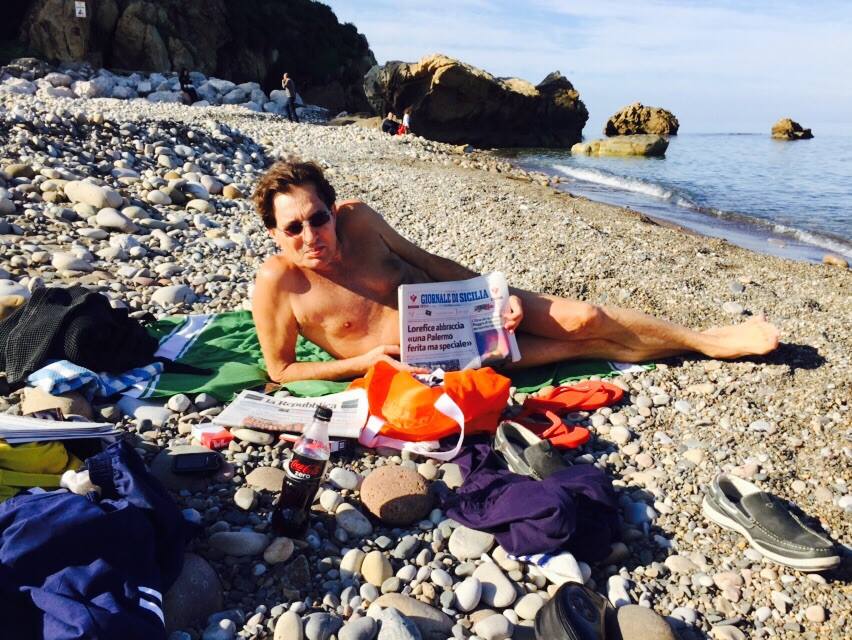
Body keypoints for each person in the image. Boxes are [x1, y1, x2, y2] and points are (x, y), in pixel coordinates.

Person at [251, 160, 780, 383]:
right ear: (274, 233)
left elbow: (430, 263)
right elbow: (281, 370)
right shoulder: (280, 285)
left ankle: (706, 340)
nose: (310, 236)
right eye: (293, 228)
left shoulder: (360, 221)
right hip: (443, 362)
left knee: (586, 318)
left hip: (469, 308)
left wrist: (493, 294)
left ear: (331, 209)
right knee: (589, 345)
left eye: (317, 218)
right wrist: (363, 362)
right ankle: (702, 344)